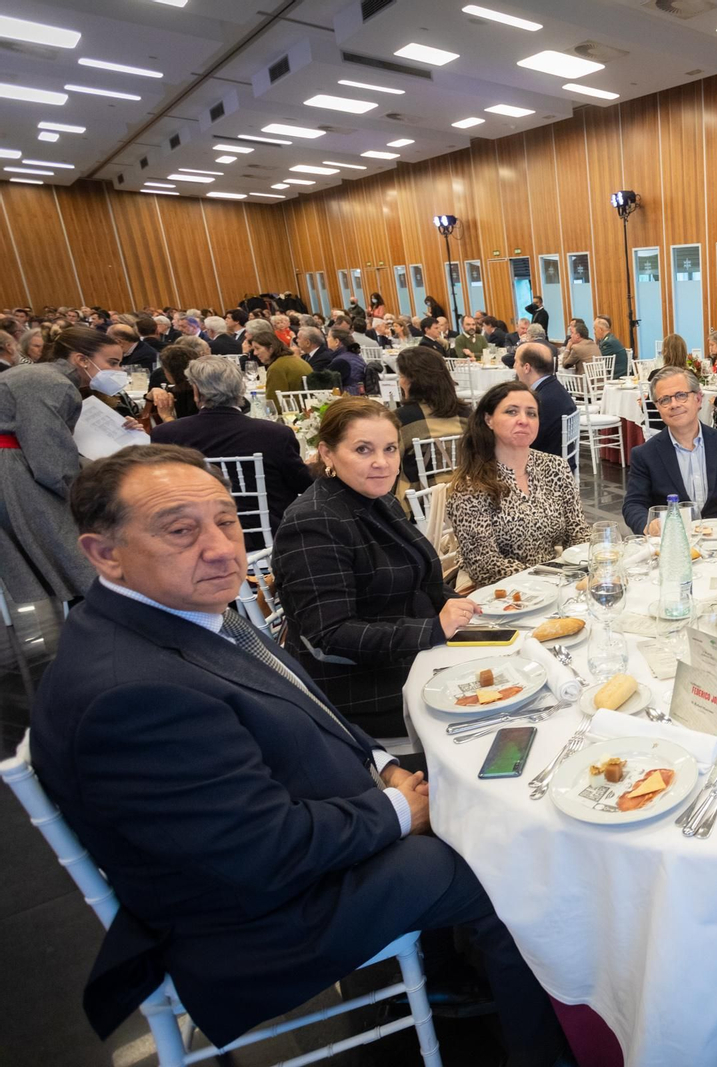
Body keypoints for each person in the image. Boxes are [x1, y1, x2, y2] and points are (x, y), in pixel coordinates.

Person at [30, 444, 563, 1065]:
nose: (221, 548)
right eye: (180, 530)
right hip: (258, 919)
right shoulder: (131, 692)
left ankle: (447, 971)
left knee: (485, 784)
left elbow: (306, 705)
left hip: (303, 822)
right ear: (104, 554)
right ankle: (544, 1049)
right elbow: (259, 854)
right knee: (508, 866)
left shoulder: (181, 609)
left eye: (226, 521)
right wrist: (396, 811)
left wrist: (384, 765)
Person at [274, 398, 481, 737]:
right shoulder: (315, 521)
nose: (382, 463)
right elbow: (329, 635)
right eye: (363, 450)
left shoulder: (377, 498)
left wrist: (457, 605)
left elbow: (420, 579)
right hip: (363, 688)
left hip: (408, 658)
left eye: (390, 449)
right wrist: (432, 630)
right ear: (327, 454)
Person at [0, 326, 127, 601]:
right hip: (17, 471)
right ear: (82, 359)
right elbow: (49, 456)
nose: (118, 371)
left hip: (18, 463)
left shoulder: (42, 376)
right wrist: (82, 498)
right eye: (113, 362)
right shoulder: (49, 381)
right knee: (77, 558)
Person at [150, 356, 312, 544]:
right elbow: (303, 484)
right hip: (269, 539)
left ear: (196, 391)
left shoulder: (166, 435)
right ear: (240, 390)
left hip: (197, 538)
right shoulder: (275, 434)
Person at [445, 382, 590, 584]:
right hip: (498, 591)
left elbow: (578, 531)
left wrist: (586, 565)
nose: (523, 420)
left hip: (555, 578)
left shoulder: (555, 467)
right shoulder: (471, 485)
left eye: (531, 414)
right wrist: (549, 578)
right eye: (511, 412)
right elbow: (484, 565)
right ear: (489, 420)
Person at [622, 368, 717, 533]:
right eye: (664, 400)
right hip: (675, 541)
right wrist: (648, 524)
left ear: (698, 399)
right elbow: (633, 504)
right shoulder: (645, 454)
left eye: (681, 395)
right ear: (658, 407)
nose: (674, 404)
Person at [394, 346, 472, 505]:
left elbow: (391, 462)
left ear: (410, 381)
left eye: (401, 376)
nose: (399, 381)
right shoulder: (467, 414)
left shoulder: (401, 419)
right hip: (466, 496)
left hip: (419, 502)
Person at [514, 340, 577, 469]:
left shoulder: (542, 401)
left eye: (516, 362)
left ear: (527, 367)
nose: (514, 367)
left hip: (548, 467)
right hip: (560, 460)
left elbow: (528, 441)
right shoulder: (553, 387)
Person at [145, 339, 201, 426]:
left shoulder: (195, 395)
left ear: (168, 371)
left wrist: (166, 416)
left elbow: (185, 433)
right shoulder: (203, 388)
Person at [251, 332, 312, 410]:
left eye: (257, 348)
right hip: (307, 410)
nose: (255, 353)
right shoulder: (297, 360)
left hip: (293, 413)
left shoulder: (276, 368)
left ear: (271, 348)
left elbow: (274, 404)